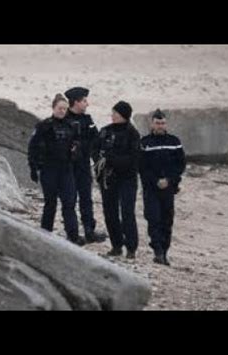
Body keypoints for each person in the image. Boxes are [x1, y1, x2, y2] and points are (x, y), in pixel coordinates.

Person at [28, 93, 85, 246]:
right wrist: (33, 168)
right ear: (53, 108)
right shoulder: (43, 126)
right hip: (49, 169)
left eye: (65, 109)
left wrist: (76, 151)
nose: (62, 111)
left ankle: (73, 236)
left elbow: (79, 146)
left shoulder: (72, 126)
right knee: (50, 203)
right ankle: (45, 233)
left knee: (69, 203)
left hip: (66, 169)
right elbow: (32, 147)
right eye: (60, 108)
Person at [93, 101, 141, 259]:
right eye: (113, 112)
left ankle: (131, 247)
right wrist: (100, 162)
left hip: (127, 179)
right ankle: (116, 245)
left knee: (127, 212)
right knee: (110, 213)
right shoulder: (105, 131)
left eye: (116, 113)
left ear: (124, 116)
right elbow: (95, 149)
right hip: (108, 179)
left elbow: (133, 159)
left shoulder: (132, 134)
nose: (112, 115)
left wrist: (111, 160)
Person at [139, 109, 186, 266]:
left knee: (167, 221)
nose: (160, 126)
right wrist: (155, 181)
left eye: (163, 123)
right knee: (153, 219)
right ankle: (157, 251)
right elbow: (142, 167)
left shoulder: (174, 142)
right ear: (152, 124)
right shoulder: (145, 142)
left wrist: (170, 180)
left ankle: (164, 252)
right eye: (157, 123)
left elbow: (180, 164)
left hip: (168, 188)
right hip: (151, 189)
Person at [64, 87, 107, 244]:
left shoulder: (87, 120)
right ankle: (72, 234)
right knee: (69, 200)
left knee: (86, 198)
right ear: (76, 102)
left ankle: (89, 230)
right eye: (84, 101)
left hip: (83, 165)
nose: (87, 104)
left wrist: (98, 164)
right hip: (68, 167)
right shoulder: (64, 119)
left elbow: (95, 142)